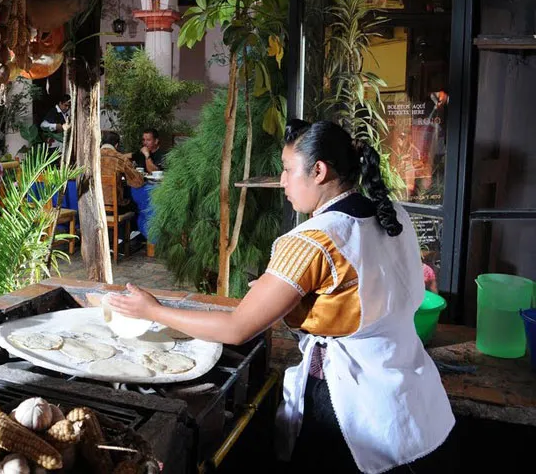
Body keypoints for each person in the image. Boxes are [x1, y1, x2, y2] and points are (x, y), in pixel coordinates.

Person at [108, 119, 456, 473]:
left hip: (351, 406)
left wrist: (152, 310)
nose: (282, 181)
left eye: (289, 170)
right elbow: (360, 289)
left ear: (318, 171)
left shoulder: (311, 240)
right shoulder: (392, 215)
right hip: (410, 391)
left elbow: (236, 327)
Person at [100, 131, 144, 207]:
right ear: (116, 145)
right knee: (134, 206)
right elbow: (138, 182)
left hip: (94, 208)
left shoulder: (91, 158)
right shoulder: (121, 158)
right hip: (114, 206)